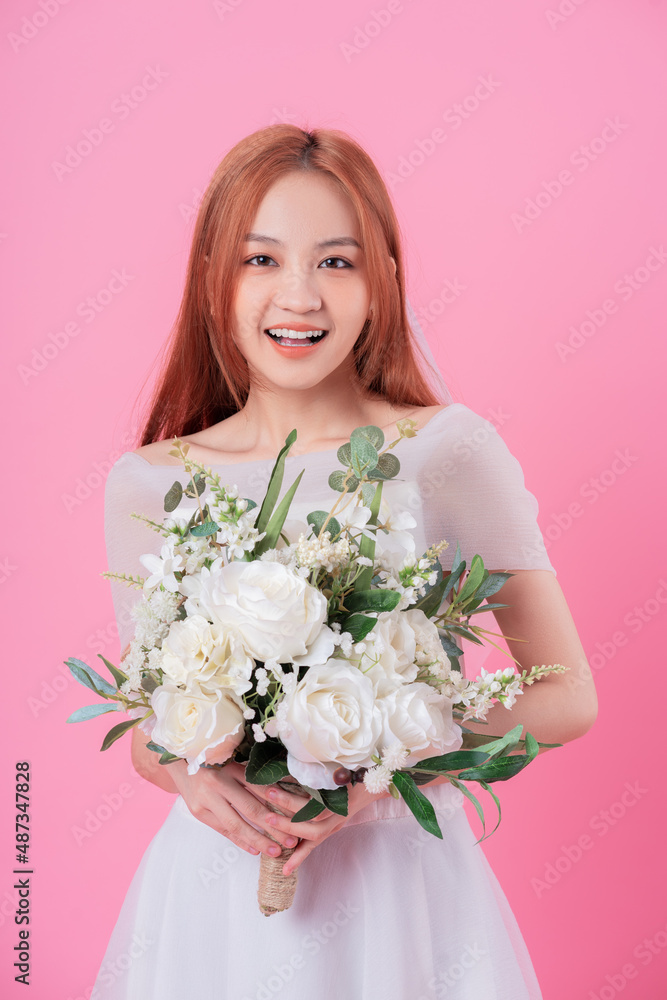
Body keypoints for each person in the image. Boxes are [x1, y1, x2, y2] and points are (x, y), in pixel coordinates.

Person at [92, 125, 597, 999]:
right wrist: (185, 772)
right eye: (260, 259)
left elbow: (566, 695)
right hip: (213, 899)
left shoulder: (445, 451)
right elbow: (151, 719)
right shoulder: (149, 482)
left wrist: (391, 764)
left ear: (383, 282)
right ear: (213, 276)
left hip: (392, 885)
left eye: (336, 262)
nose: (299, 296)